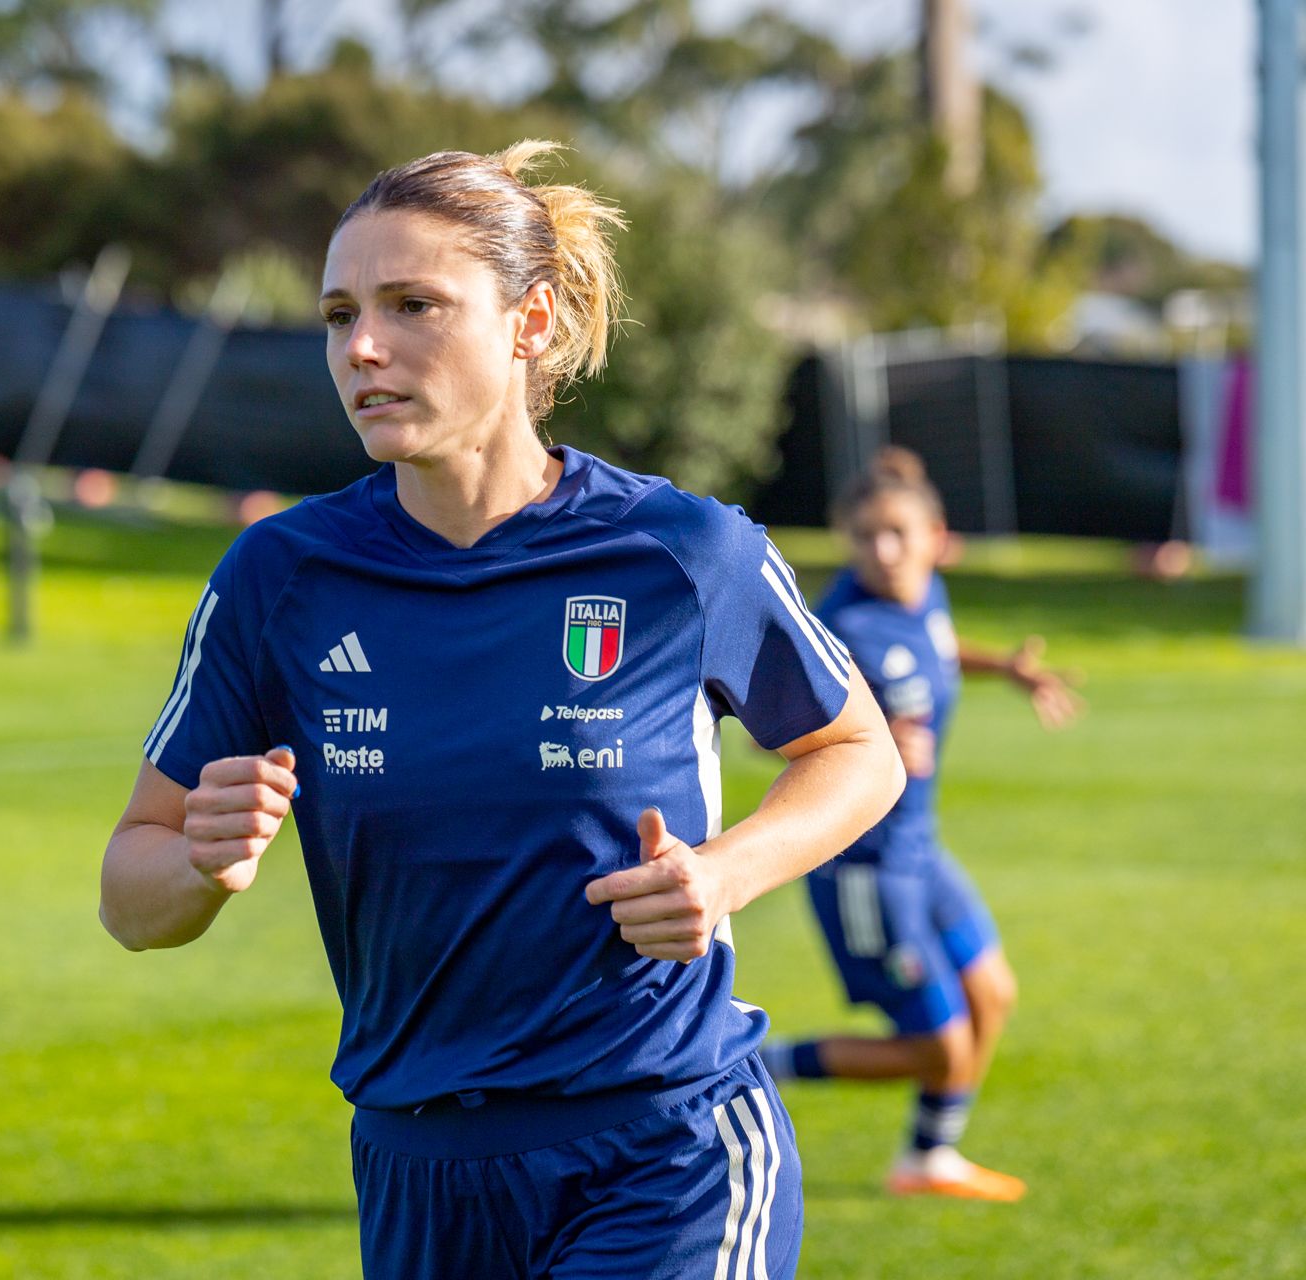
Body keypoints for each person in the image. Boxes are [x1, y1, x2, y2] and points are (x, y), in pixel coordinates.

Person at [99, 141, 905, 1280]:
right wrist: (199, 859)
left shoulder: (680, 550)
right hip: (416, 1171)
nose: (362, 346)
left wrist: (725, 874)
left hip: (663, 1147)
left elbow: (857, 749)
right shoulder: (281, 575)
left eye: (413, 304)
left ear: (529, 324)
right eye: (340, 314)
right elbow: (131, 897)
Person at [762, 447, 1084, 1202]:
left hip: (920, 848)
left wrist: (1006, 668)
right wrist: (867, 742)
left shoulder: (924, 595)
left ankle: (928, 1159)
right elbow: (764, 726)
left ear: (936, 536)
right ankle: (747, 1063)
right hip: (866, 866)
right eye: (865, 535)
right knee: (940, 1050)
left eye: (898, 533)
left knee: (992, 995)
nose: (882, 550)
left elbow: (931, 653)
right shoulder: (842, 626)